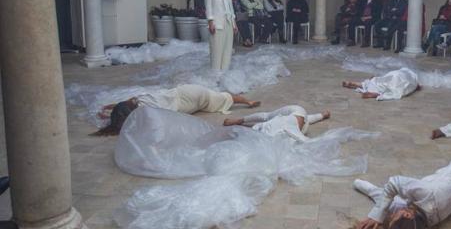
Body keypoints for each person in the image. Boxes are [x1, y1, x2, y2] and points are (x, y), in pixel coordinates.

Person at [91, 84, 261, 136]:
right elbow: (126, 102)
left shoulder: (145, 110)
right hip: (184, 92)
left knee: (222, 98)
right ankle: (248, 100)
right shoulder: (139, 101)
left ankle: (248, 101)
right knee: (220, 96)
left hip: (190, 98)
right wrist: (110, 107)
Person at [223, 105, 331, 142]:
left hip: (296, 114)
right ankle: (239, 120)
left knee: (267, 117)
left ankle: (322, 115)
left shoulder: (284, 129)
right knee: (267, 117)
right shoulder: (278, 129)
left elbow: (307, 141)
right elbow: (307, 141)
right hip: (293, 114)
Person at [205, 0, 236, 70]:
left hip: (228, 22)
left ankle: (224, 73)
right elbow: (208, 6)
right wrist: (210, 22)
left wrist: (233, 23)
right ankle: (215, 75)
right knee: (216, 51)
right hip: (217, 24)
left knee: (227, 50)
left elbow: (230, 7)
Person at [342, 68, 421, 101]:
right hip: (398, 77)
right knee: (392, 88)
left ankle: (359, 84)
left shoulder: (409, 73)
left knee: (381, 82)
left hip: (395, 75)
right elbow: (412, 86)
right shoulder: (413, 79)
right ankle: (376, 93)